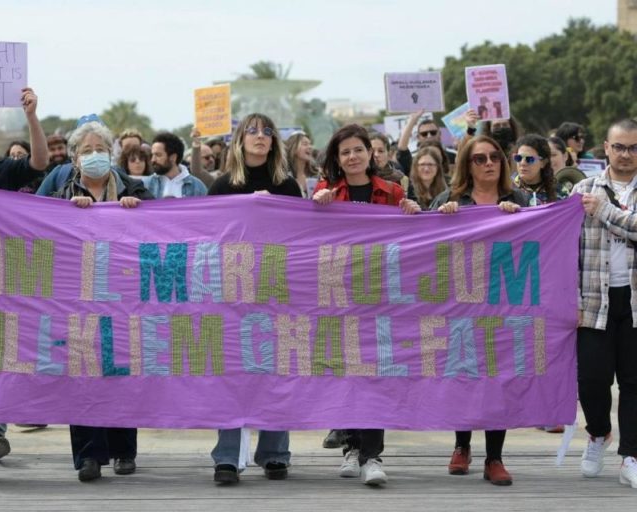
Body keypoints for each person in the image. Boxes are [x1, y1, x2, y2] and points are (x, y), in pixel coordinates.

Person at [312, 124, 420, 486]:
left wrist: (411, 210)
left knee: (377, 374)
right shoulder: (325, 192)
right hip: (339, 295)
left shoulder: (392, 191)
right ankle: (351, 449)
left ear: (369, 154)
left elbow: (411, 237)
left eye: (358, 150)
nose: (353, 157)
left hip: (380, 295)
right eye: (345, 152)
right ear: (337, 160)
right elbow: (306, 234)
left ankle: (373, 456)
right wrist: (317, 208)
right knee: (346, 373)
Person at [53, 120, 152, 482]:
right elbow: (43, 234)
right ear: (75, 159)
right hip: (77, 300)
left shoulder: (135, 188)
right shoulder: (63, 193)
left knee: (122, 370)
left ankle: (123, 451)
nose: (94, 155)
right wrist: (68, 212)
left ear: (111, 155)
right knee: (82, 373)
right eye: (86, 150)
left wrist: (138, 209)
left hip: (126, 299)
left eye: (101, 149)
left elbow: (162, 230)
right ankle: (88, 456)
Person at [207, 113, 301, 484]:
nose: (260, 136)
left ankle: (275, 453)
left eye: (267, 131)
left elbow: (301, 238)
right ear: (240, 140)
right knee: (230, 373)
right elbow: (207, 236)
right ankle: (228, 457)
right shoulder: (222, 186)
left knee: (275, 370)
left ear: (275, 141)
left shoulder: (287, 186)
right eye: (252, 131)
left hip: (276, 290)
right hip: (231, 295)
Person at [430, 135, 528, 486]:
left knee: (497, 378)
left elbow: (539, 242)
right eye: (480, 159)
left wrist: (521, 218)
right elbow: (424, 246)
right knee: (463, 373)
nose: (489, 163)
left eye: (495, 157)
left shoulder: (519, 199)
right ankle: (462, 445)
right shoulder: (451, 199)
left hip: (504, 304)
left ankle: (494, 457)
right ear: (466, 166)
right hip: (460, 305)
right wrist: (441, 218)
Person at [572, 118, 637, 489]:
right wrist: (573, 299)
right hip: (593, 298)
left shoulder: (597, 202)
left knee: (632, 381)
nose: (626, 154)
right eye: (619, 147)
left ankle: (631, 454)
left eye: (633, 147)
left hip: (634, 298)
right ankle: (598, 433)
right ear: (606, 148)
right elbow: (567, 249)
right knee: (592, 380)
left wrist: (605, 211)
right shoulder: (583, 188)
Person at [143, 132, 207, 198]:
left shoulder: (197, 187)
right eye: (152, 155)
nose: (153, 160)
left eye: (158, 155)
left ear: (173, 157)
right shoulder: (145, 185)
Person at [512, 134, 562, 204]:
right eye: (518, 158)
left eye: (529, 159)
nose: (522, 163)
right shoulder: (506, 189)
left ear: (543, 163)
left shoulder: (560, 192)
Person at [284, 131, 320, 197]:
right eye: (305, 144)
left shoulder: (317, 175)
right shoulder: (283, 176)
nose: (310, 147)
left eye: (310, 144)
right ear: (294, 148)